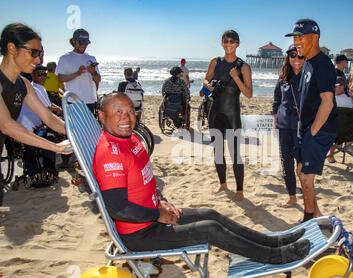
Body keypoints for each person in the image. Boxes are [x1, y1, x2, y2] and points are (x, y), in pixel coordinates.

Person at [92, 92, 311, 263]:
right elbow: (118, 208)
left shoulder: (131, 139)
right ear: (102, 116)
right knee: (210, 229)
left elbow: (145, 180)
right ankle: (277, 256)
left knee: (210, 213)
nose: (127, 118)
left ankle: (273, 241)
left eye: (130, 111)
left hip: (153, 214)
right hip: (140, 232)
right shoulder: (109, 153)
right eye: (118, 112)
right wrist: (157, 213)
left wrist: (161, 200)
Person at [0, 23, 71, 204]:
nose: (39, 60)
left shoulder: (23, 84)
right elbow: (7, 125)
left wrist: (76, 134)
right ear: (11, 48)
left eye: (40, 54)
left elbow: (47, 117)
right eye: (34, 53)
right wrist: (55, 147)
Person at [285, 19, 338, 223]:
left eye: (300, 36)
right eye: (295, 37)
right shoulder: (307, 62)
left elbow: (328, 103)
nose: (297, 41)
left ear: (314, 37)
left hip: (319, 129)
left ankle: (308, 223)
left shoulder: (323, 64)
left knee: (306, 176)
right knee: (300, 171)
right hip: (306, 128)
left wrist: (312, 133)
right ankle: (315, 214)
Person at [203, 30, 253, 201]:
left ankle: (239, 189)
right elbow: (206, 81)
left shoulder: (243, 66)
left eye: (232, 41)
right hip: (215, 112)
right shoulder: (215, 62)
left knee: (234, 153)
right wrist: (206, 86)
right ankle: (223, 184)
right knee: (218, 152)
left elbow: (248, 93)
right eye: (226, 41)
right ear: (222, 42)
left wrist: (236, 77)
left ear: (237, 44)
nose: (228, 44)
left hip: (232, 114)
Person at [17, 65, 62, 186]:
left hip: (36, 125)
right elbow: (47, 108)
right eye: (39, 74)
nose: (42, 77)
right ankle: (39, 172)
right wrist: (60, 110)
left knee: (50, 137)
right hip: (28, 127)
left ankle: (48, 170)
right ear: (32, 75)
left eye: (44, 75)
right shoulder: (34, 88)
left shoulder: (40, 88)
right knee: (48, 139)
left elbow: (48, 106)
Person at [272, 44, 305, 207]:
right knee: (286, 163)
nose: (296, 59)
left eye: (300, 56)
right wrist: (275, 119)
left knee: (303, 165)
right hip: (283, 125)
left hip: (302, 127)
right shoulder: (283, 76)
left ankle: (308, 198)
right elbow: (277, 98)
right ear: (288, 57)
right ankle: (292, 196)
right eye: (293, 55)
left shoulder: (309, 78)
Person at [56, 28, 101, 114]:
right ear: (74, 42)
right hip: (73, 101)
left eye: (86, 43)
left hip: (90, 101)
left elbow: (98, 80)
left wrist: (93, 72)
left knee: (90, 127)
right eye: (81, 42)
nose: (83, 45)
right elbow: (60, 79)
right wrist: (77, 73)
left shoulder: (91, 58)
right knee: (75, 127)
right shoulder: (65, 58)